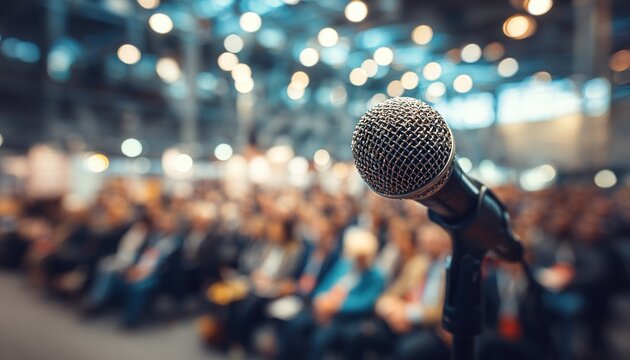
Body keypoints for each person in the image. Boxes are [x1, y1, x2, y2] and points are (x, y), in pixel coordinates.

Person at [345, 223, 451, 360]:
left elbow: (439, 311)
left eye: (432, 241)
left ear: (444, 241)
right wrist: (389, 309)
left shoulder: (449, 268)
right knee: (360, 334)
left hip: (431, 328)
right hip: (399, 319)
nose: (426, 245)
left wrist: (406, 314)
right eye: (423, 241)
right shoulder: (418, 263)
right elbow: (393, 291)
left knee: (405, 350)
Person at [275, 226, 384, 360]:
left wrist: (336, 307)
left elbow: (366, 301)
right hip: (321, 309)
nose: (358, 259)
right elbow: (326, 284)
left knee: (320, 339)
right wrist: (320, 300)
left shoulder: (376, 275)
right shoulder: (345, 265)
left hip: (342, 318)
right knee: (295, 325)